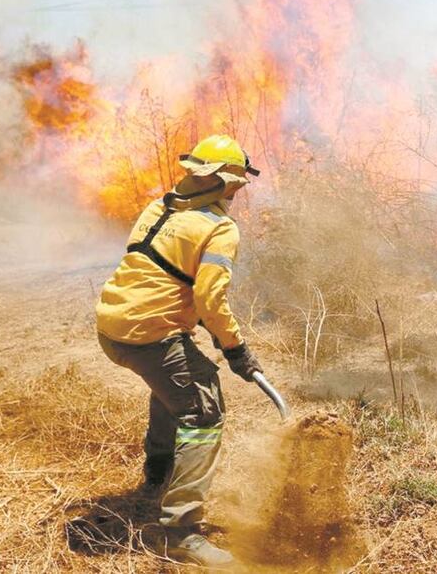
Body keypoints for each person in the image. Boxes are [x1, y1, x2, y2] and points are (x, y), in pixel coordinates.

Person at [96, 134, 265, 566]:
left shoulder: (158, 207)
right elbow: (211, 300)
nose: (236, 193)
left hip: (112, 325)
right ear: (224, 183)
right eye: (236, 185)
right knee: (203, 407)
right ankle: (181, 531)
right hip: (149, 333)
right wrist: (236, 349)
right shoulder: (220, 228)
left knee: (177, 377)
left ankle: (158, 470)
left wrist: (204, 329)